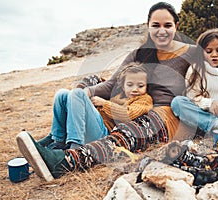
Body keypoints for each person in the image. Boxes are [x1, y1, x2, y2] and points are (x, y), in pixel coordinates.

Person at [16, 2, 199, 181]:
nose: (161, 31)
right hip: (129, 105)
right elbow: (112, 84)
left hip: (160, 115)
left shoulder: (189, 52)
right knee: (86, 83)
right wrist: (84, 93)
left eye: (167, 25)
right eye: (155, 25)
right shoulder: (139, 54)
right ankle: (60, 137)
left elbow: (217, 70)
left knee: (135, 126)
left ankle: (69, 159)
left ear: (176, 26)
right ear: (148, 27)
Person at [39, 63, 153, 150]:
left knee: (78, 93)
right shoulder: (118, 95)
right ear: (123, 86)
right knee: (62, 94)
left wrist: (104, 103)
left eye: (140, 85)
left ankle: (76, 145)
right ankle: (58, 141)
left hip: (104, 134)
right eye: (130, 85)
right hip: (93, 125)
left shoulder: (144, 100)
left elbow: (128, 114)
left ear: (146, 87)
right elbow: (106, 86)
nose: (135, 89)